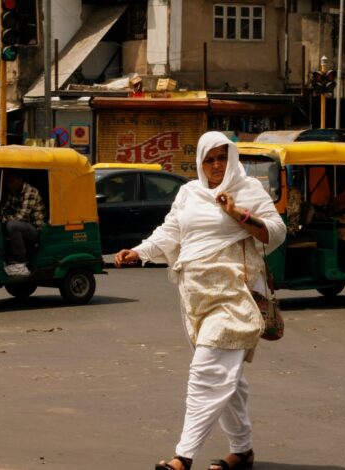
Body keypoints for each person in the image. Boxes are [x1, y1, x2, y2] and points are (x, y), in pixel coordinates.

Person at [114, 132, 287, 470]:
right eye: (210, 159)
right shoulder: (189, 193)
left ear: (233, 159)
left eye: (223, 157)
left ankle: (184, 456)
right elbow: (170, 232)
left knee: (207, 371)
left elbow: (277, 232)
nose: (217, 165)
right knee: (228, 376)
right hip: (195, 296)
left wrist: (238, 214)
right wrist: (140, 252)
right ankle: (243, 450)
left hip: (235, 295)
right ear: (200, 163)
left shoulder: (248, 191)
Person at [0, 171, 46, 277]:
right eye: (8, 182)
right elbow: (4, 209)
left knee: (12, 225)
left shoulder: (30, 191)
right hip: (22, 227)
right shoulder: (13, 191)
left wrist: (2, 219)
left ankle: (21, 260)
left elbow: (21, 217)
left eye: (12, 181)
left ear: (20, 181)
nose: (9, 184)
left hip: (35, 229)